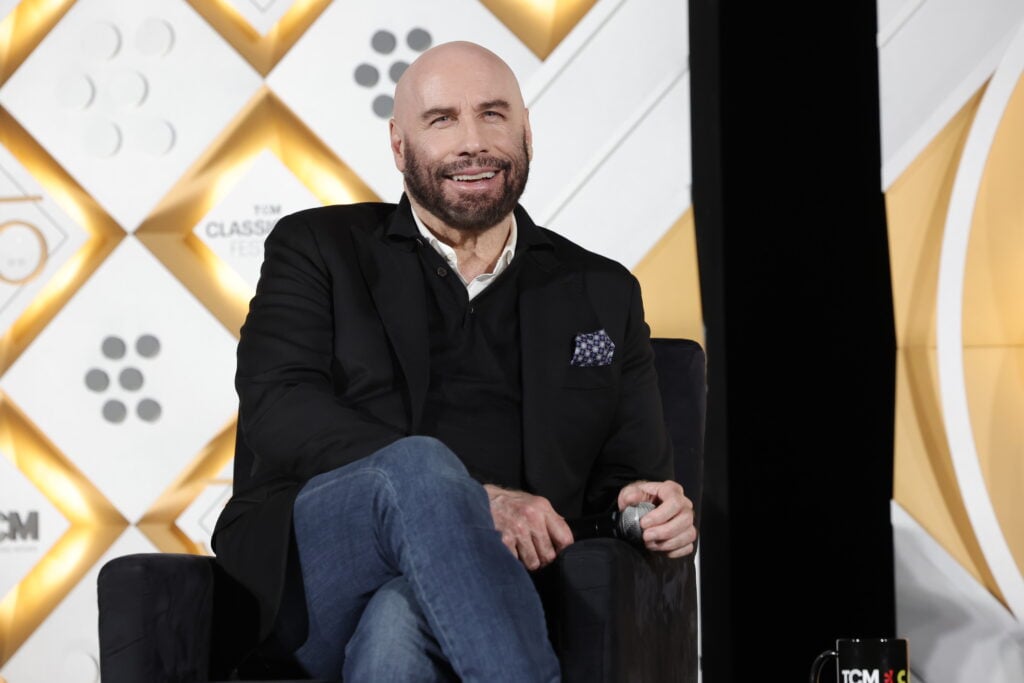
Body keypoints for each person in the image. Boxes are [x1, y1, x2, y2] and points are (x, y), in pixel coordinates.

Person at [211, 40, 697, 682]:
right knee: (417, 466)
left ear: (526, 132)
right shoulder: (318, 250)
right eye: (442, 120)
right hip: (317, 572)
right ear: (398, 144)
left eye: (494, 115)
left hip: (498, 585)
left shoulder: (600, 291)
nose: (473, 142)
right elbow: (279, 411)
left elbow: (627, 475)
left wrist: (648, 506)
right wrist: (471, 498)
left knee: (399, 626)